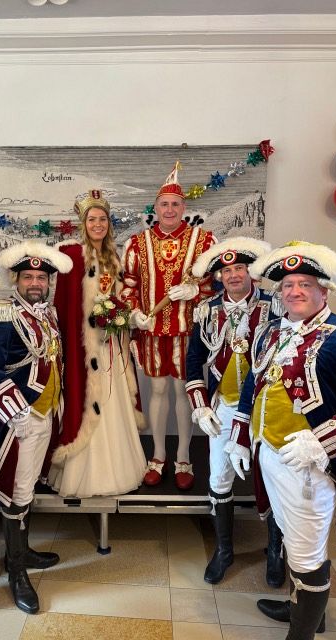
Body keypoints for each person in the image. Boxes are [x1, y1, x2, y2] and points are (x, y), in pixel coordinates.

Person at [226, 241, 336, 640]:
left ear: (324, 290)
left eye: (305, 284)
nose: (294, 291)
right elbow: (253, 383)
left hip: (310, 465)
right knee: (292, 538)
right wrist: (240, 436)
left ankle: (303, 632)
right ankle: (305, 610)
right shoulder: (272, 332)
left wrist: (320, 441)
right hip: (270, 453)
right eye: (288, 285)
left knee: (307, 551)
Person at [0, 240, 72, 614]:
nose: (35, 283)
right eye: (28, 277)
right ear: (15, 279)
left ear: (48, 282)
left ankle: (22, 552)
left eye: (41, 278)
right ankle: (16, 571)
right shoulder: (3, 313)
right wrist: (15, 411)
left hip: (45, 413)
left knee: (28, 486)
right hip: (19, 415)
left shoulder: (48, 314)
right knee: (16, 490)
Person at [186, 237, 285, 585]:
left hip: (266, 408)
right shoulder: (206, 310)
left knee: (273, 479)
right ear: (219, 276)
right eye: (226, 270)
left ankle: (276, 552)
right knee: (218, 478)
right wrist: (200, 406)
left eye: (239, 268)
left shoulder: (275, 306)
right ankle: (224, 550)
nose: (233, 275)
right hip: (224, 407)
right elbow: (194, 360)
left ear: (251, 272)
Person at [121, 162, 216, 489]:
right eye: (164, 204)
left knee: (183, 391)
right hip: (152, 331)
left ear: (183, 207)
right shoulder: (137, 243)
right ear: (156, 208)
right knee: (158, 390)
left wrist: (195, 291)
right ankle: (159, 455)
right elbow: (128, 286)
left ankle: (184, 456)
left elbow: (216, 284)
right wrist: (134, 313)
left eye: (175, 204)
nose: (170, 209)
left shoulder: (204, 241)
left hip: (188, 332)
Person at [48, 189, 146, 497]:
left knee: (113, 399)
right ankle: (84, 471)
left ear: (108, 223)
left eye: (102, 219)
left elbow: (122, 298)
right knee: (87, 397)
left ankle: (117, 469)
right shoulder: (71, 256)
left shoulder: (114, 257)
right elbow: (64, 305)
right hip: (85, 346)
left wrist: (121, 317)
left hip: (112, 345)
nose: (98, 224)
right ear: (84, 223)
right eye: (92, 219)